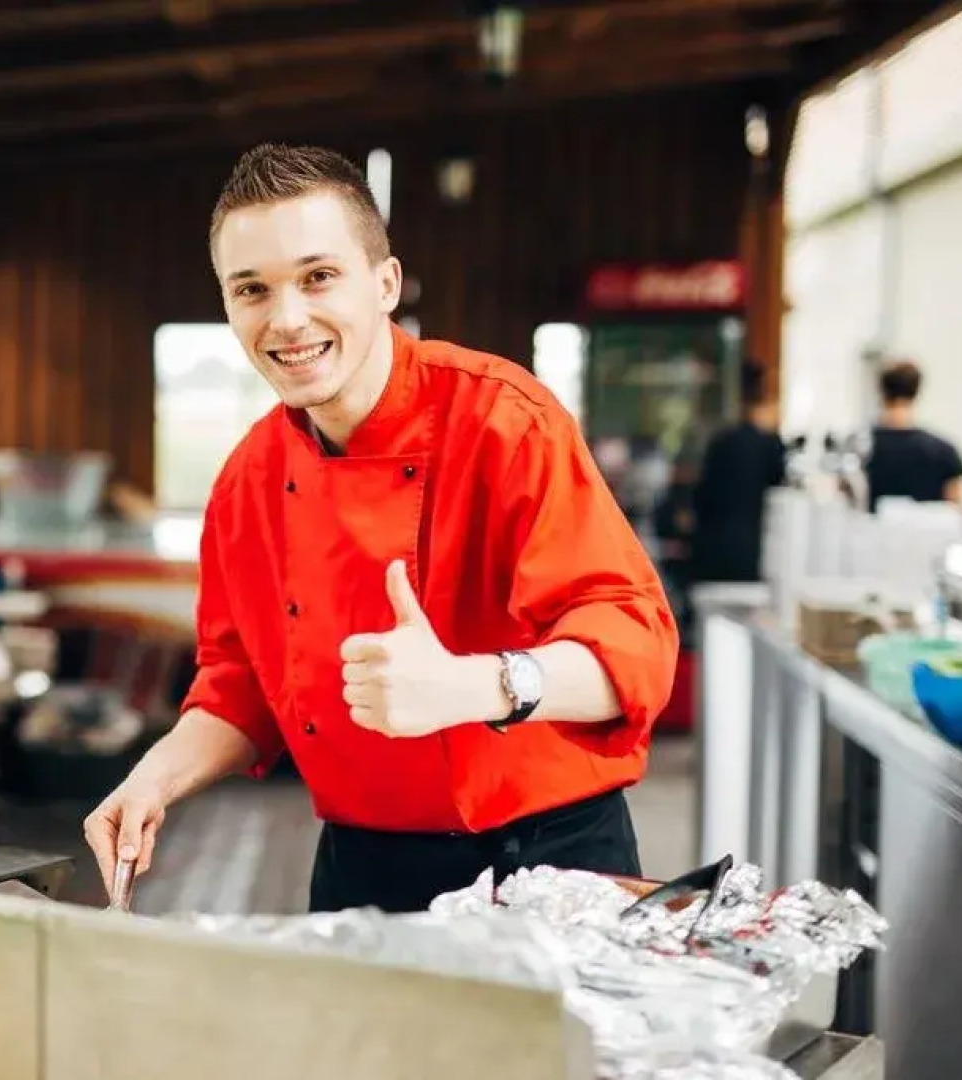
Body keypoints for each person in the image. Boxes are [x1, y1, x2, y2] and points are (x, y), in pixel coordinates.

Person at [83, 143, 678, 915]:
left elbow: (635, 651)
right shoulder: (247, 480)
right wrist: (150, 781)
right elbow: (239, 692)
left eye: (317, 277)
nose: (287, 318)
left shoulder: (502, 419)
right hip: (360, 867)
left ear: (384, 283)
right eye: (252, 289)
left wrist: (475, 684)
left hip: (543, 864)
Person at [689, 361, 786, 584]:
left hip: (714, 548)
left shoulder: (720, 442)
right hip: (751, 549)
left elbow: (701, 497)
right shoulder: (769, 445)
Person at [863, 360, 962, 512]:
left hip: (872, 534)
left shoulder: (860, 450)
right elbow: (957, 513)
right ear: (916, 392)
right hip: (928, 535)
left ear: (882, 392)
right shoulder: (944, 452)